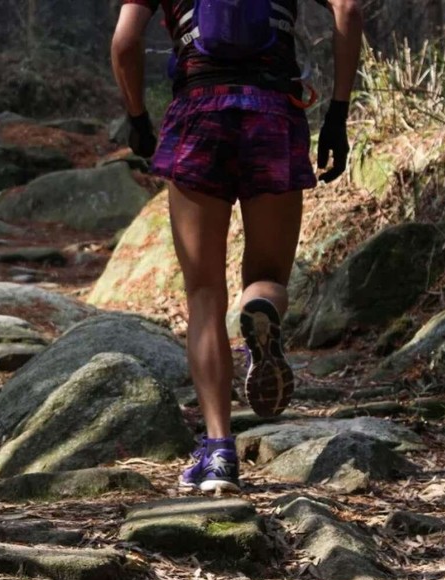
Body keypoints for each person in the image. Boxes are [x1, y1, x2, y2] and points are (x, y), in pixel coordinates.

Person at [111, 0, 363, 493]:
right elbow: (349, 10)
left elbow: (124, 41)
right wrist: (337, 112)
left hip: (198, 115)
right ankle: (260, 308)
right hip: (273, 114)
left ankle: (220, 452)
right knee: (267, 276)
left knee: (204, 295)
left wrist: (138, 117)